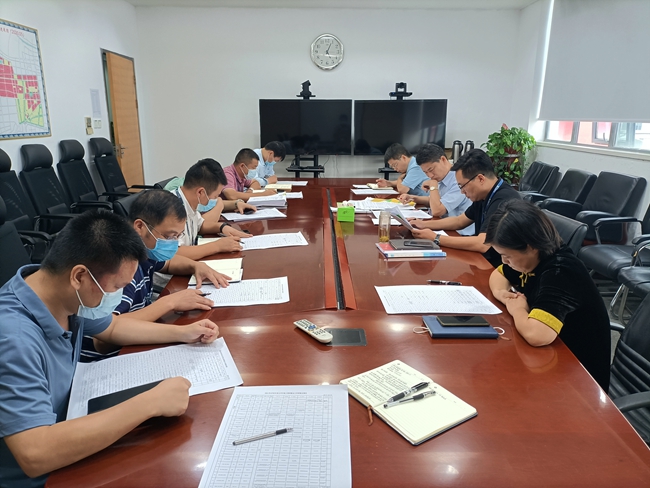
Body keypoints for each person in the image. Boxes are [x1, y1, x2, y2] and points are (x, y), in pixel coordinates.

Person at [0, 211, 219, 487]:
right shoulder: (13, 337)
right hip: (48, 475)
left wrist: (183, 333)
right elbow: (35, 454)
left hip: (73, 420)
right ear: (79, 276)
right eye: (116, 287)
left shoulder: (58, 293)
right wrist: (150, 402)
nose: (116, 296)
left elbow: (113, 328)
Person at [82, 190, 229, 361]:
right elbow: (105, 339)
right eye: (169, 236)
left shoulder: (146, 251)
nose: (174, 243)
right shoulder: (120, 268)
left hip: (136, 343)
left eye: (177, 236)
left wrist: (196, 266)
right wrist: (170, 303)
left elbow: (168, 263)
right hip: (111, 359)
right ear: (140, 227)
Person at [485, 199, 611, 390]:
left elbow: (537, 335)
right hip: (552, 359)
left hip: (579, 380)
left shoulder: (561, 271)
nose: (504, 261)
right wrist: (501, 293)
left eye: (507, 256)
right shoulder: (532, 259)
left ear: (530, 246)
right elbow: (498, 274)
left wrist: (517, 309)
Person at [409, 148, 521, 267]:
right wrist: (422, 224)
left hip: (500, 266)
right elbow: (459, 221)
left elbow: (483, 243)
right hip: (482, 261)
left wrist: (436, 238)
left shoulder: (504, 199)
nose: (462, 192)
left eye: (462, 186)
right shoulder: (483, 195)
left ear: (480, 179)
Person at [171, 158, 256, 260]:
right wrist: (217, 246)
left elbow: (199, 225)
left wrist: (222, 227)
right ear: (200, 192)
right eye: (215, 196)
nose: (216, 199)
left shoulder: (189, 201)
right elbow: (173, 253)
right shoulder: (171, 209)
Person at [399, 143, 474, 236]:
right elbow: (436, 201)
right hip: (442, 227)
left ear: (443, 159)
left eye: (431, 170)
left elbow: (437, 210)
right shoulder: (442, 176)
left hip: (458, 234)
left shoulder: (458, 179)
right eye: (425, 172)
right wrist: (413, 198)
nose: (430, 175)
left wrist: (433, 184)